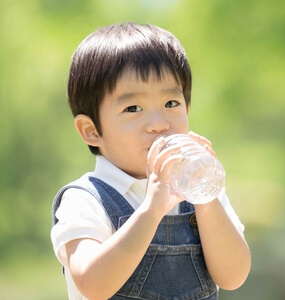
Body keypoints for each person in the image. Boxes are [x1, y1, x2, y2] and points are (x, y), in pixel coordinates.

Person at [51, 22, 251, 300]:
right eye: (133, 108)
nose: (159, 124)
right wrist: (151, 210)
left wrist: (207, 199)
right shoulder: (85, 200)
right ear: (92, 131)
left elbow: (234, 276)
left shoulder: (200, 195)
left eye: (171, 104)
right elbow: (92, 283)